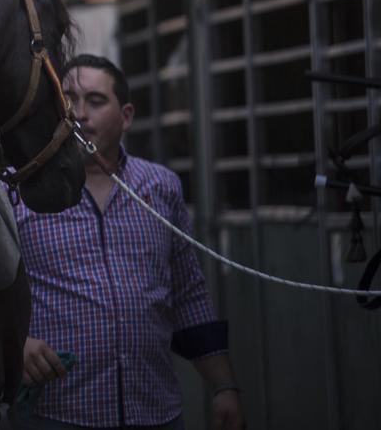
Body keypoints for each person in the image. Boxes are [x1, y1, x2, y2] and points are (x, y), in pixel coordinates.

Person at [13, 55, 245, 430]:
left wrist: (224, 387)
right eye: (68, 98)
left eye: (96, 100)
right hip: (59, 413)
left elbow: (188, 295)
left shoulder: (160, 187)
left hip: (155, 412)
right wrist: (15, 345)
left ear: (126, 116)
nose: (80, 113)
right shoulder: (22, 188)